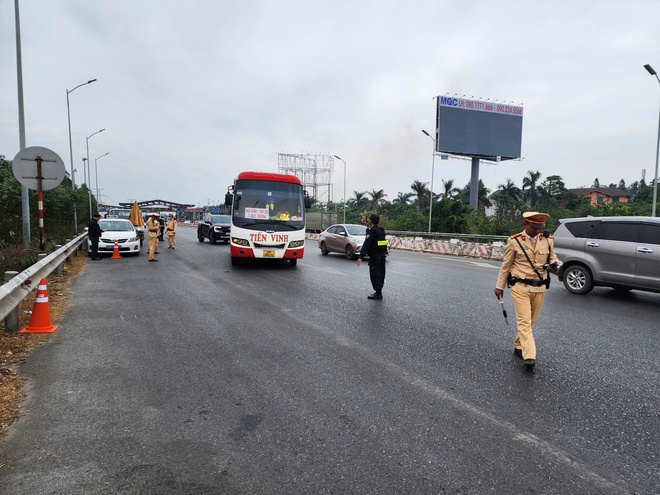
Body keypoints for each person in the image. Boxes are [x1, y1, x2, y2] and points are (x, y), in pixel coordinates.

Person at [494, 211, 561, 369]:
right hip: (520, 287)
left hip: (539, 287)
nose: (537, 231)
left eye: (540, 227)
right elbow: (506, 266)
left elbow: (553, 259)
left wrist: (554, 266)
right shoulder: (515, 241)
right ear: (525, 225)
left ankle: (518, 344)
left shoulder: (548, 240)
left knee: (530, 322)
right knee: (524, 322)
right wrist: (499, 286)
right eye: (534, 227)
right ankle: (529, 355)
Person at [357, 213, 388, 300]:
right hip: (382, 255)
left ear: (371, 221)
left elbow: (366, 244)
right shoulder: (381, 230)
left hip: (375, 256)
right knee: (381, 273)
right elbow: (383, 242)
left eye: (370, 219)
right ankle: (379, 291)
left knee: (374, 274)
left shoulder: (371, 232)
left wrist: (361, 256)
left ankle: (378, 293)